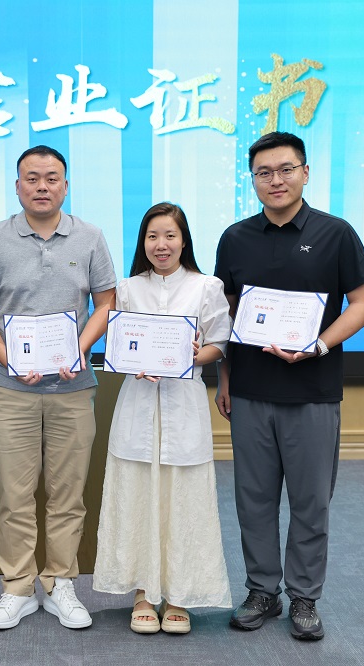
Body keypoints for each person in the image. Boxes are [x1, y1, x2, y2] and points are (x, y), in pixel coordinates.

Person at [214, 132, 364, 640]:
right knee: (253, 500)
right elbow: (226, 316)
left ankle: (304, 597)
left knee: (310, 501)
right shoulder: (235, 238)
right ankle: (262, 590)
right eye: (264, 172)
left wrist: (320, 345)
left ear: (305, 172)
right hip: (250, 391)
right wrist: (224, 378)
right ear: (253, 180)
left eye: (286, 169)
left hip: (313, 390)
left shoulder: (336, 234)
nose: (276, 180)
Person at [0, 145, 116, 630]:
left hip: (73, 388)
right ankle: (17, 587)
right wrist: (8, 357)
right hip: (11, 389)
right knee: (15, 495)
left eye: (52, 178)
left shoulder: (90, 236)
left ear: (65, 185)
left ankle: (59, 583)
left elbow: (106, 302)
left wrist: (78, 349)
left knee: (67, 494)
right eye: (32, 178)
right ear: (18, 187)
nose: (42, 187)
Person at [93, 203, 234, 635]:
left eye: (170, 235)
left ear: (184, 240)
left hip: (184, 405)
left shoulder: (207, 287)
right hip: (138, 404)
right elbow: (118, 344)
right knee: (138, 493)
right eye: (152, 236)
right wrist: (130, 358)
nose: (161, 245)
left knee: (182, 497)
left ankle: (178, 596)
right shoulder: (127, 288)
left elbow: (220, 343)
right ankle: (142, 593)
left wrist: (194, 355)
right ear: (143, 242)